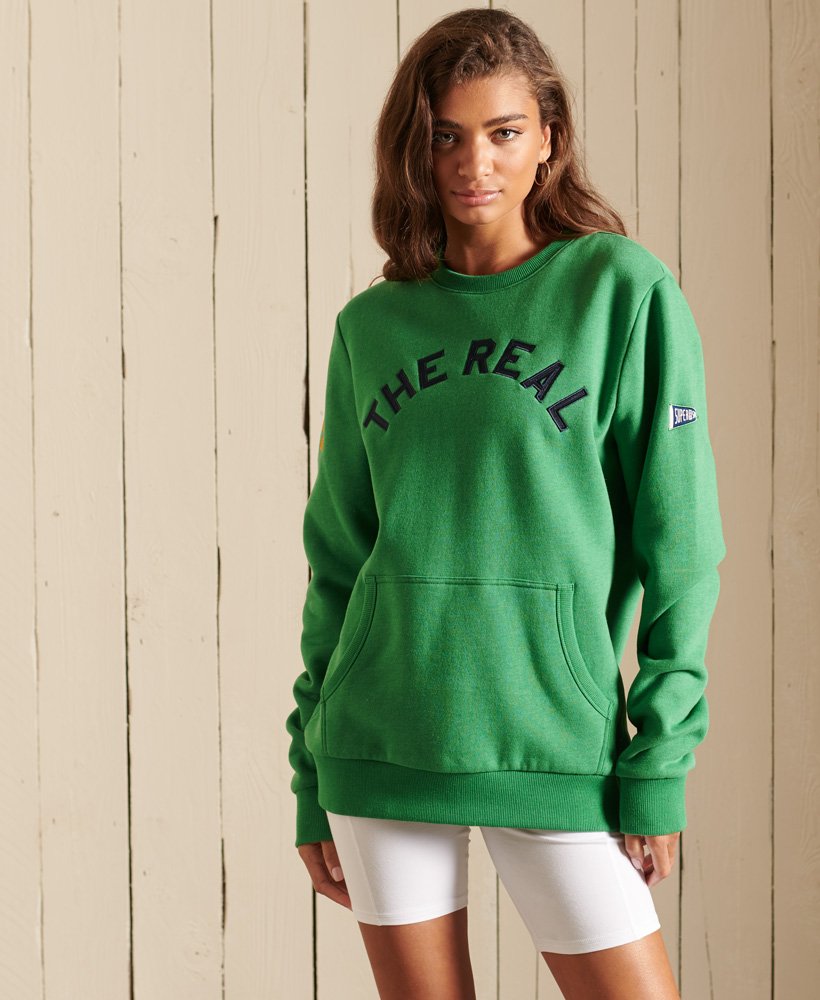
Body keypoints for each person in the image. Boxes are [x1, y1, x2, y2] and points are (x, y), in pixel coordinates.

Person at [285, 8, 726, 999]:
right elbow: (340, 560)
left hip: (554, 744)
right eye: (446, 134)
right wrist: (311, 777)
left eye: (503, 132)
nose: (472, 162)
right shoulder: (372, 326)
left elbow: (682, 543)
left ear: (548, 140)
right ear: (414, 147)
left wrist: (659, 758)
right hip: (378, 743)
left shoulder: (621, 291)